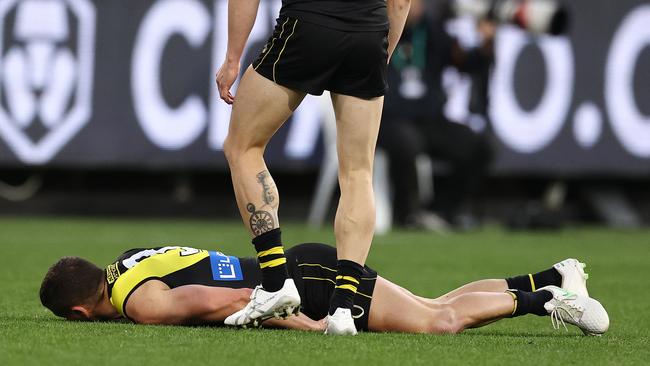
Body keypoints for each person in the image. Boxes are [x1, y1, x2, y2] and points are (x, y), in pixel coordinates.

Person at [215, 0, 411, 334]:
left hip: (309, 23)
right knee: (358, 173)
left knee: (242, 147)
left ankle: (276, 283)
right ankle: (343, 310)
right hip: (370, 31)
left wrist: (232, 59)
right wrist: (382, 51)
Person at [39, 243, 609, 336]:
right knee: (436, 305)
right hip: (299, 264)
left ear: (79, 312)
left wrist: (303, 322)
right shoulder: (127, 265)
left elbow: (234, 300)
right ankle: (552, 277)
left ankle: (552, 302)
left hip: (305, 286)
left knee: (440, 322)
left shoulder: (142, 305)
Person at [378, 0, 494, 230]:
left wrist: (485, 44)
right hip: (388, 119)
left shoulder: (433, 30)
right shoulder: (376, 28)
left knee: (478, 146)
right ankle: (408, 214)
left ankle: (443, 210)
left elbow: (465, 62)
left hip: (429, 120)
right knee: (406, 143)